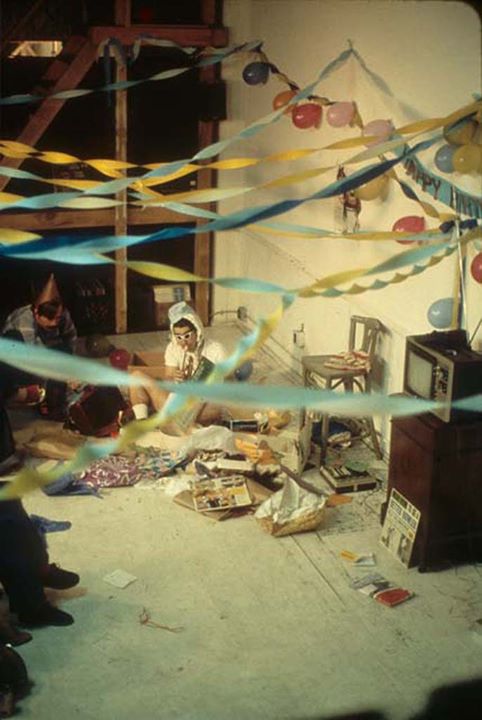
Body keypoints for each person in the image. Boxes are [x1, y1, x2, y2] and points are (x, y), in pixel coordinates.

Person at [128, 302, 226, 430]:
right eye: (178, 337)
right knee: (136, 376)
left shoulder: (216, 350)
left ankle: (175, 422)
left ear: (197, 331)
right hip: (175, 403)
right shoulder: (173, 348)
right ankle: (142, 423)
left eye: (187, 336)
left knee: (217, 406)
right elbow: (168, 378)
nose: (183, 342)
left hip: (202, 404)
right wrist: (174, 377)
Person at [2, 274, 77, 419]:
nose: (55, 322)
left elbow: (71, 338)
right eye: (50, 318)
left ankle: (54, 403)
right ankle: (22, 395)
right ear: (37, 313)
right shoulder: (24, 323)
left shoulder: (62, 316)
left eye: (58, 318)